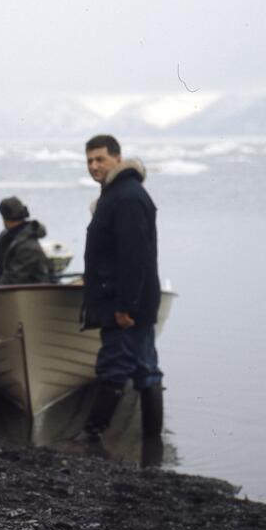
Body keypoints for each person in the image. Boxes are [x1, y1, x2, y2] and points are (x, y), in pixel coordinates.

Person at [79, 134, 164, 449]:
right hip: (135, 301)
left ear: (117, 158)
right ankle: (153, 445)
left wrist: (125, 305)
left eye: (100, 159)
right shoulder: (119, 194)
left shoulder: (125, 197)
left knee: (115, 365)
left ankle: (91, 435)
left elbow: (134, 256)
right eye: (89, 160)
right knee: (145, 369)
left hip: (125, 305)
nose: (93, 166)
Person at [0, 196, 53, 287]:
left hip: (33, 292)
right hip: (12, 290)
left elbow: (13, 278)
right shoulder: (6, 236)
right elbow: (0, 267)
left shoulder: (28, 246)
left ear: (4, 217)